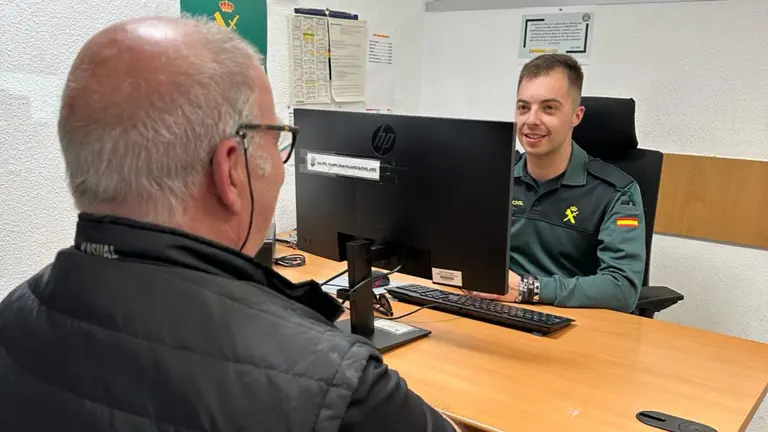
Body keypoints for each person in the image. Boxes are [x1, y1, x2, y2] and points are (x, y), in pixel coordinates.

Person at [0, 16, 459, 432]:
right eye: (277, 138)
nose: (281, 168)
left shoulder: (14, 313)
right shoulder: (334, 382)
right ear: (231, 170)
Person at [468, 53, 646, 313]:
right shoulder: (493, 176)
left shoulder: (617, 193)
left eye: (548, 108)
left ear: (576, 115)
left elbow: (622, 289)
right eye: (523, 107)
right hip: (494, 314)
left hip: (573, 326)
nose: (531, 120)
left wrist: (529, 289)